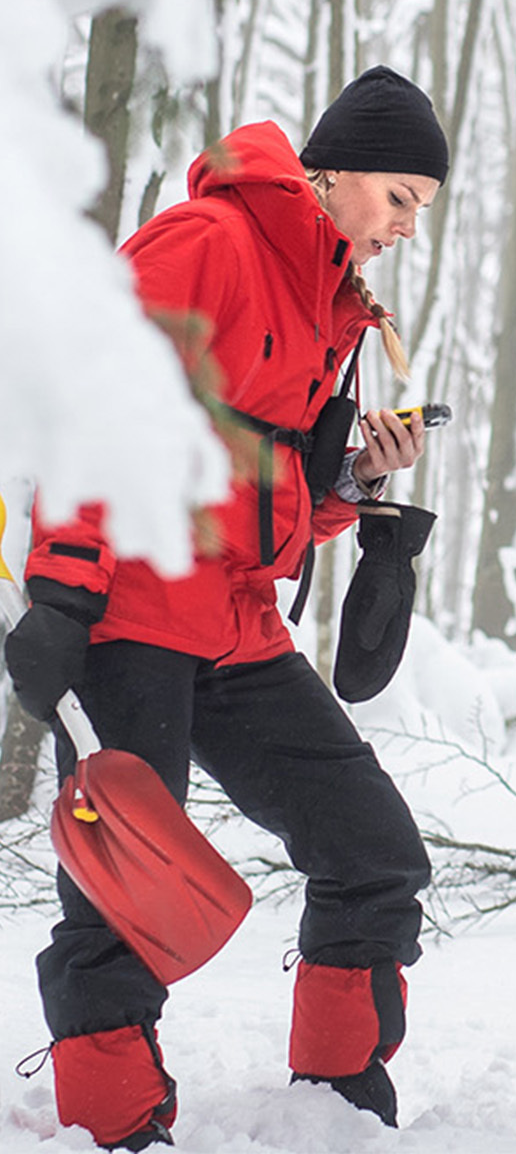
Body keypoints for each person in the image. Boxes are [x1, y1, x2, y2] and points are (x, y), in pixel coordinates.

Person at [5, 65, 448, 1149]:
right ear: (331, 171)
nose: (403, 229)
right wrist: (63, 581)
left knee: (374, 847)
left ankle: (337, 1099)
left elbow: (265, 489)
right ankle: (117, 1127)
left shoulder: (328, 305)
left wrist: (350, 482)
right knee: (125, 892)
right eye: (398, 198)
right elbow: (87, 403)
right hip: (132, 612)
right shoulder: (207, 241)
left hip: (241, 628)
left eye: (421, 212)